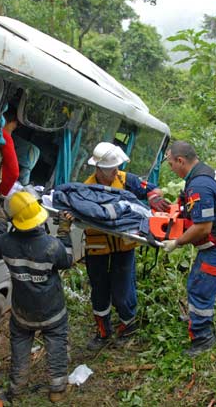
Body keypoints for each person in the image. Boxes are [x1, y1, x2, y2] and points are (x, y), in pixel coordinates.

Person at [162, 141, 216, 356]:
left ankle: (203, 338)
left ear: (180, 161)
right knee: (197, 280)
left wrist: (177, 242)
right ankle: (198, 319)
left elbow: (202, 227)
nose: (170, 168)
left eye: (170, 164)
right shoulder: (201, 172)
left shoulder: (199, 185)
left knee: (200, 286)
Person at [83, 142, 170, 350]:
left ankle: (127, 326)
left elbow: (150, 189)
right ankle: (102, 332)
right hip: (97, 248)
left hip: (124, 246)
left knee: (124, 289)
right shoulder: (86, 188)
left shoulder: (126, 179)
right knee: (99, 289)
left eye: (116, 168)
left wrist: (154, 197)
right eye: (111, 169)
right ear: (99, 169)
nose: (115, 172)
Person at [0, 192, 73, 403]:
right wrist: (64, 230)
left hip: (22, 312)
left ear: (14, 220)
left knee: (20, 345)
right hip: (52, 311)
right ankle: (57, 390)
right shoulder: (52, 246)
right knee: (56, 344)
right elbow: (67, 259)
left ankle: (16, 388)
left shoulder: (5, 243)